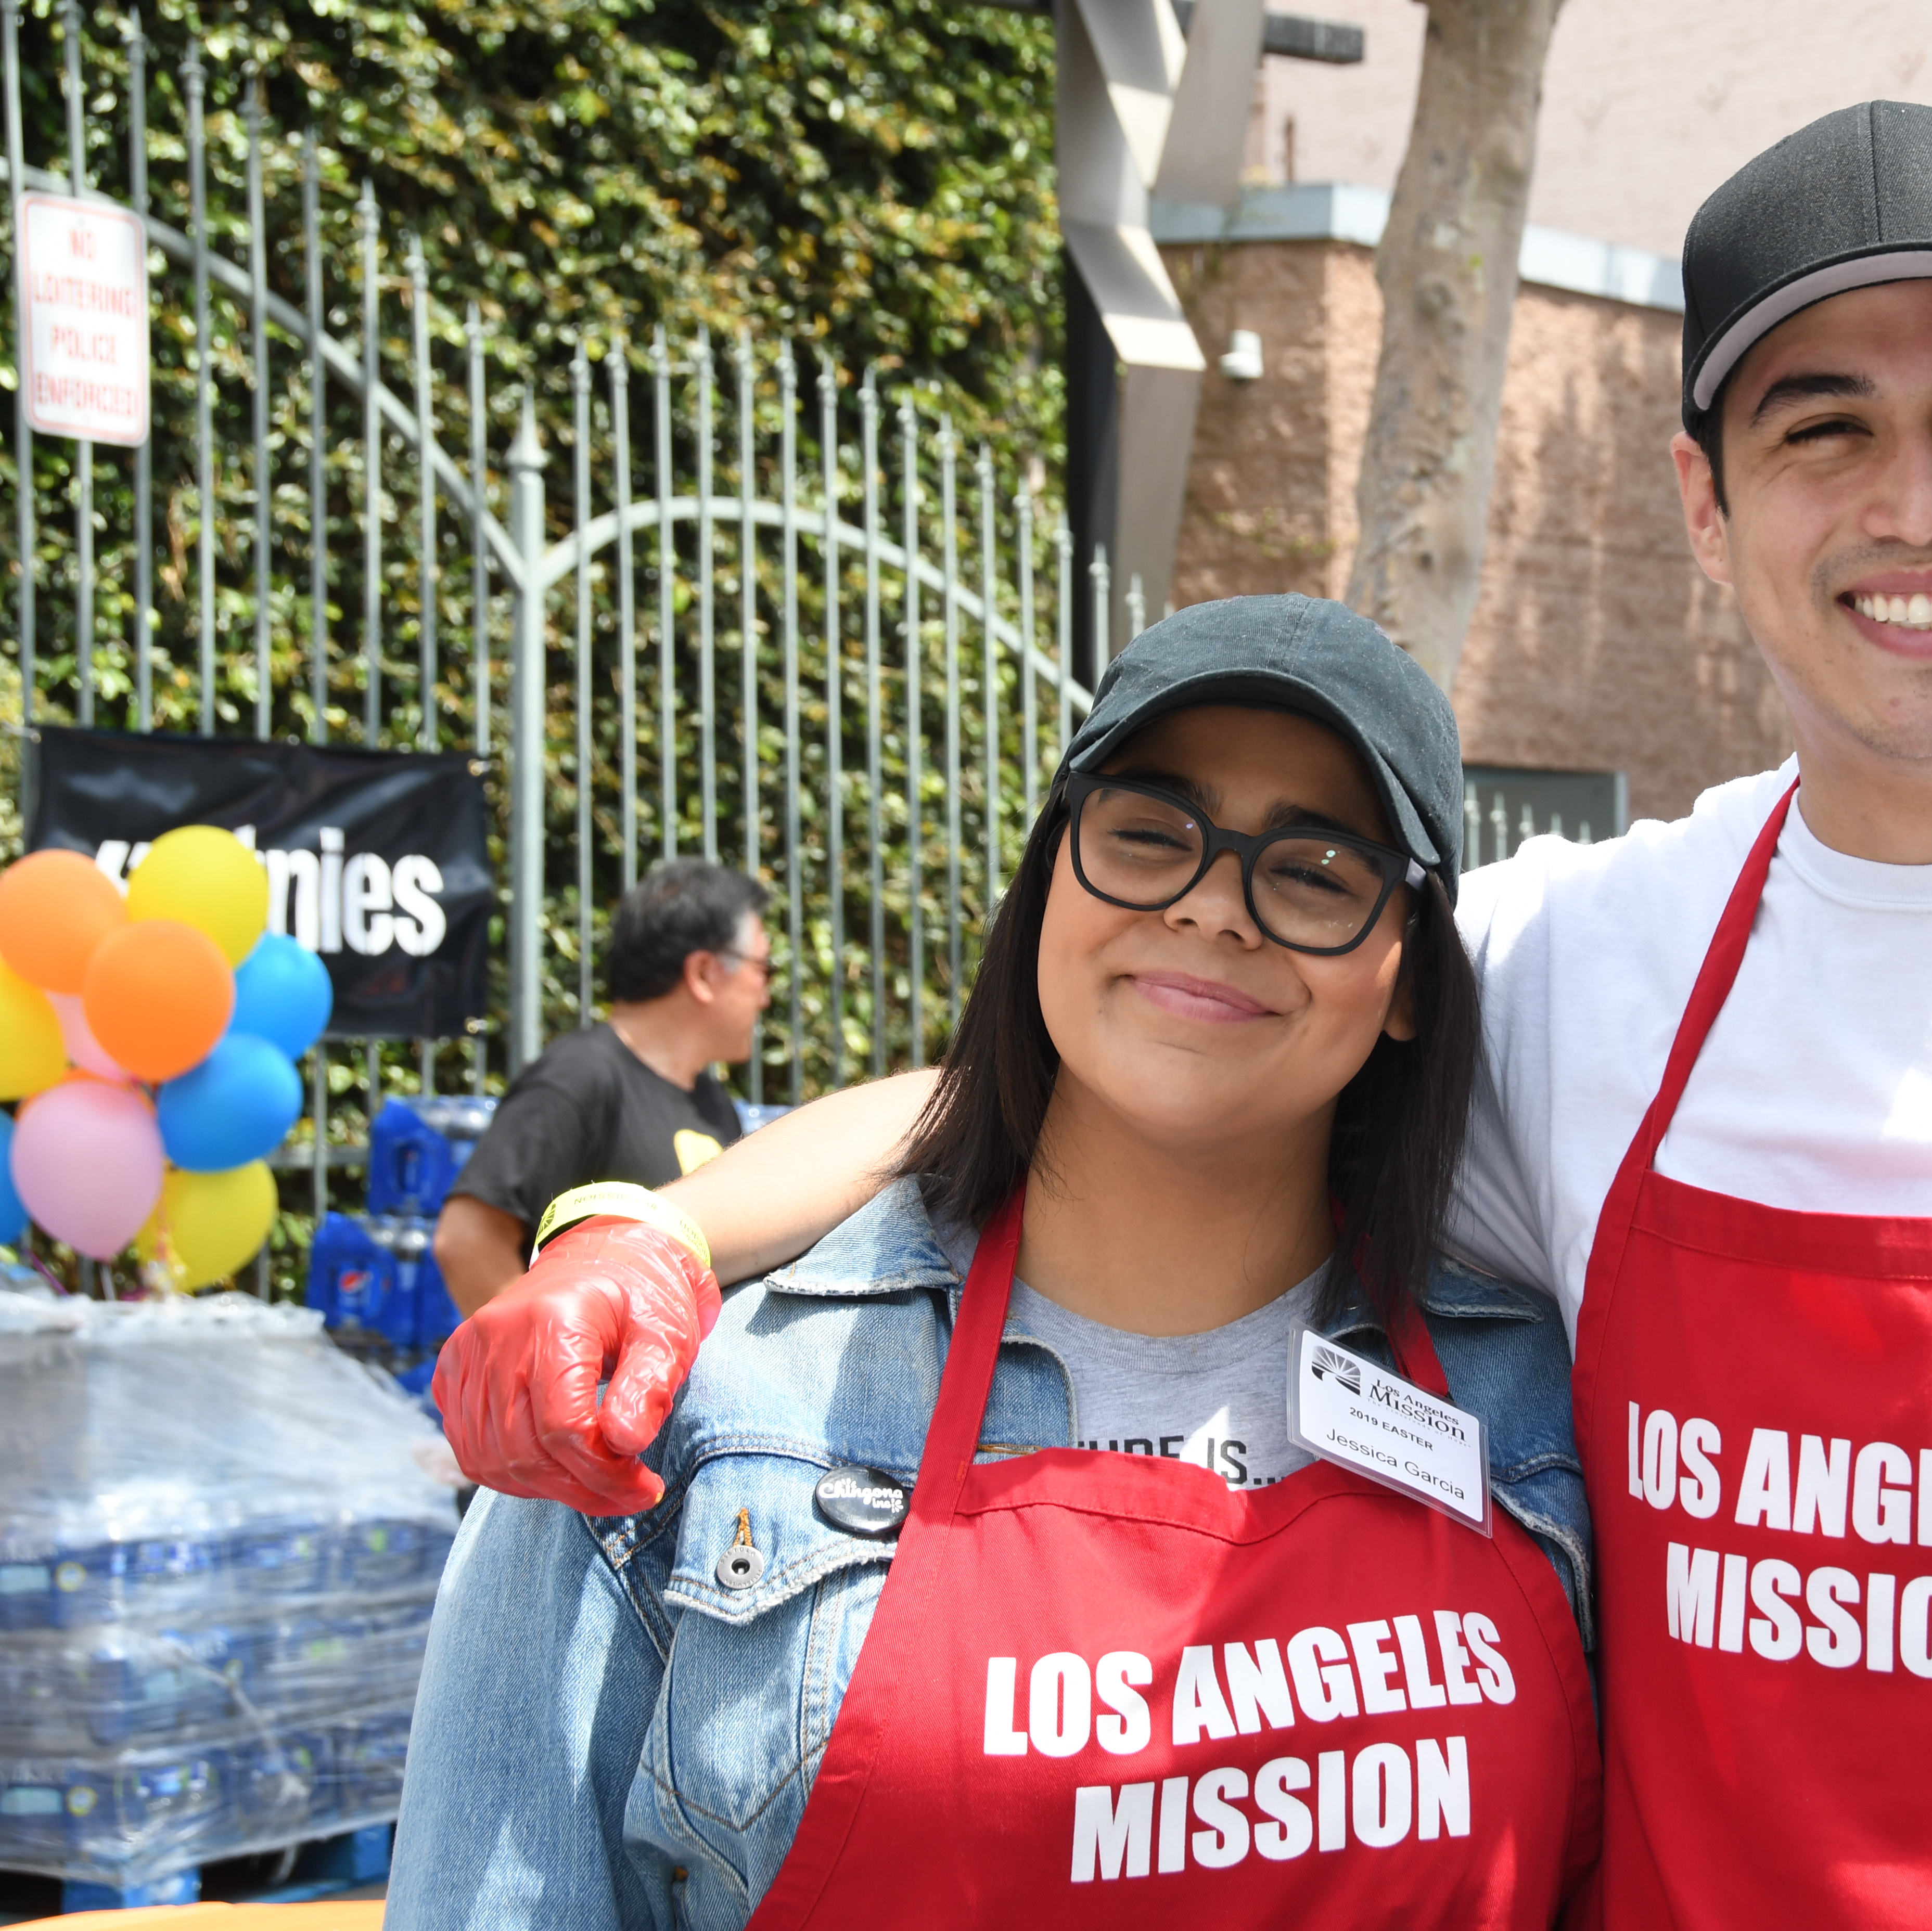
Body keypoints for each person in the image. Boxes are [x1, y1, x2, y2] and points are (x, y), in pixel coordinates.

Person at [433, 105, 1932, 1923]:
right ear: (1702, 501)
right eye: (1821, 423)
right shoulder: (1585, 965)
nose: (1915, 501)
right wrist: (660, 1233)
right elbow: (1141, 1030)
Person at [392, 597, 1600, 1926]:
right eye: (1148, 834)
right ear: (1050, 886)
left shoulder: (1538, 1411)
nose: (1211, 907)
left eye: (1314, 869)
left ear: (1412, 975)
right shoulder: (673, 1422)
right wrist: (649, 1232)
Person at [433, 859, 769, 1314]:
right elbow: (467, 1241)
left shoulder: (714, 1106)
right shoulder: (579, 1078)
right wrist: (546, 1364)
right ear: (704, 973)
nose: (766, 996)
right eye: (763, 970)